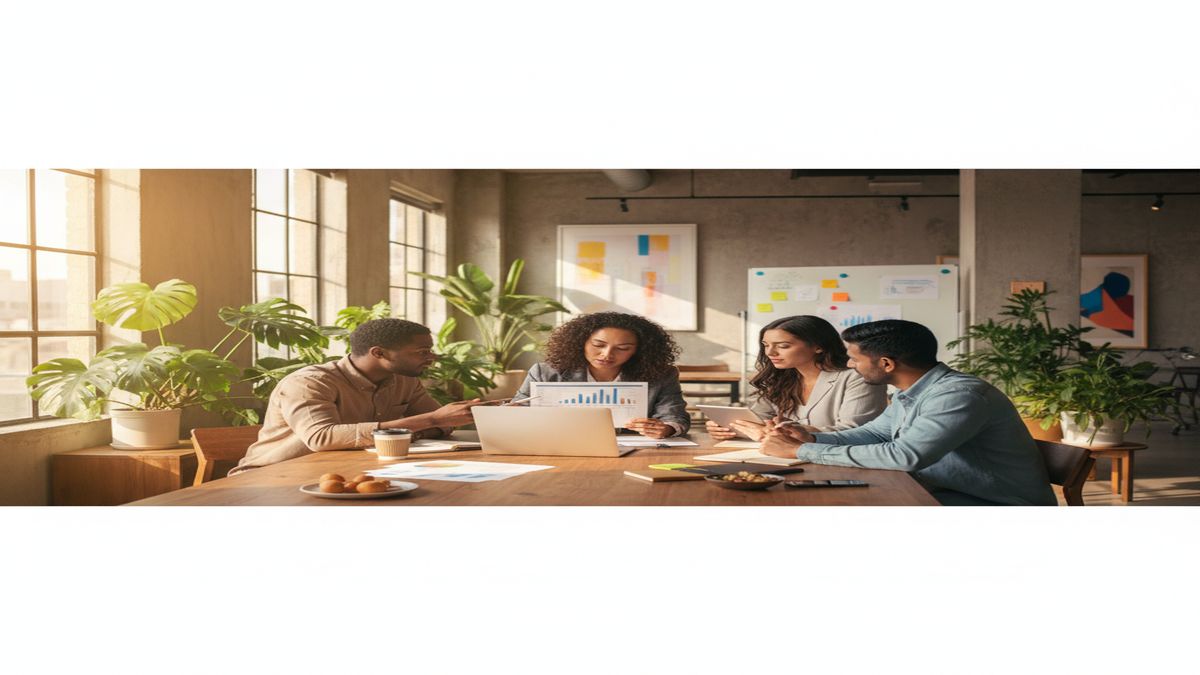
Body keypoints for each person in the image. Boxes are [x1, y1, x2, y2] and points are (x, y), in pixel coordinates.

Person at [759, 319, 1056, 506]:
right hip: (944, 490)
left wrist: (803, 451)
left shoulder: (958, 395)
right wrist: (810, 438)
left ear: (886, 364)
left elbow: (905, 456)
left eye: (854, 359)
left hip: (993, 504)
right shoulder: (910, 390)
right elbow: (876, 432)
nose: (849, 365)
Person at [230, 318, 481, 474]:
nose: (432, 357)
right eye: (423, 351)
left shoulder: (406, 380)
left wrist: (431, 423)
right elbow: (322, 438)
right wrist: (429, 421)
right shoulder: (309, 383)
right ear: (379, 353)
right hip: (274, 475)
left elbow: (443, 427)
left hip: (351, 471)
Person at [705, 315, 886, 441]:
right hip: (785, 457)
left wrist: (786, 432)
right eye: (766, 345)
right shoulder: (778, 377)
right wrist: (730, 427)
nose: (770, 352)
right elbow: (759, 420)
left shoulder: (858, 376)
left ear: (818, 347)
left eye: (783, 346)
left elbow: (855, 431)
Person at [515, 312, 689, 438]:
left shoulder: (661, 374)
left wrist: (666, 429)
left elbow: (675, 417)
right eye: (598, 345)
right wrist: (510, 413)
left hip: (635, 449)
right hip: (558, 444)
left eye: (623, 348)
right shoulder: (545, 372)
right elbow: (517, 411)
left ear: (639, 351)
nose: (607, 355)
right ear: (580, 343)